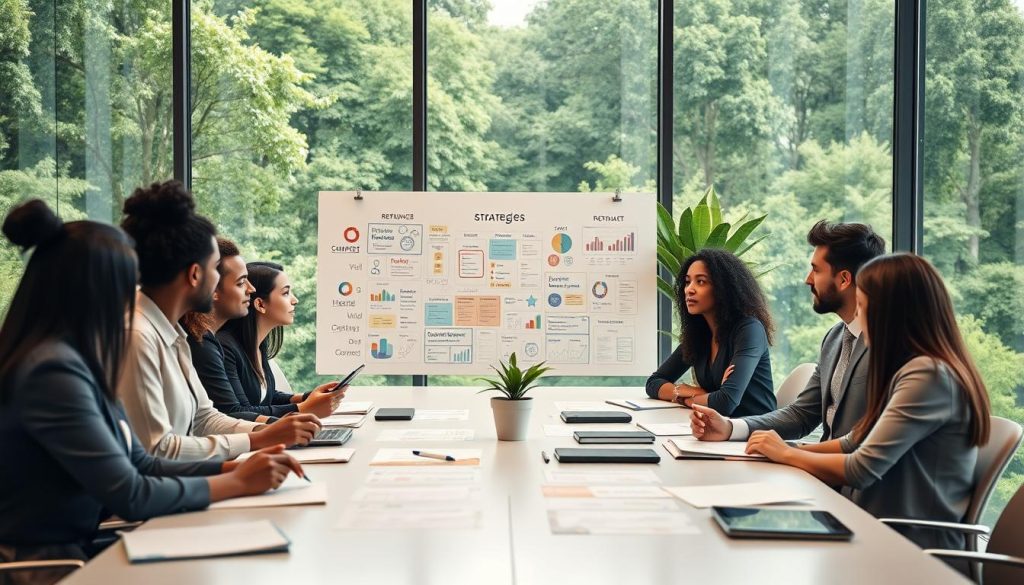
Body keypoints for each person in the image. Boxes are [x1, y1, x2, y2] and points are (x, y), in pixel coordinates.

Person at [0, 201, 304, 585]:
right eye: (130, 283)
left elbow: (140, 462)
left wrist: (230, 467)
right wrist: (238, 482)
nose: (134, 297)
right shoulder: (52, 371)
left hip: (83, 549)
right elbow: (129, 492)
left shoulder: (71, 359)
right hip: (51, 566)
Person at [744, 253, 991, 552]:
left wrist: (785, 454)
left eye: (863, 305)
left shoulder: (928, 376)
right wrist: (788, 450)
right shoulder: (910, 369)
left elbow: (862, 468)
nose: (859, 315)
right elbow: (852, 442)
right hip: (873, 526)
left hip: (909, 548)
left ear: (892, 312)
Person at [116, 180, 322, 460]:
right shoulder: (138, 337)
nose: (247, 288)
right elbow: (157, 449)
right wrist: (254, 445)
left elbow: (205, 419)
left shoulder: (173, 333)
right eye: (216, 269)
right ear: (195, 275)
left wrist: (271, 432)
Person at [691, 221, 886, 442]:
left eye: (816, 270)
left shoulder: (887, 344)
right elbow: (801, 415)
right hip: (822, 470)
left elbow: (871, 444)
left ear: (843, 279)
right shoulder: (834, 339)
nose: (808, 279)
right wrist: (729, 428)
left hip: (851, 472)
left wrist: (790, 453)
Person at [646, 248, 776, 417]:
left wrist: (686, 398)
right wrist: (687, 392)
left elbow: (725, 403)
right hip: (717, 431)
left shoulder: (749, 330)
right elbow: (653, 383)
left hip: (753, 433)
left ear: (724, 288)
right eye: (687, 282)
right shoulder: (701, 334)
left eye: (701, 282)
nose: (689, 290)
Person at [204, 260, 341, 419]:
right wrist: (302, 408)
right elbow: (239, 411)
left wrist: (307, 397)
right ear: (260, 304)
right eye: (285, 293)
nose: (294, 300)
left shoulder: (258, 345)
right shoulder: (225, 347)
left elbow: (263, 396)